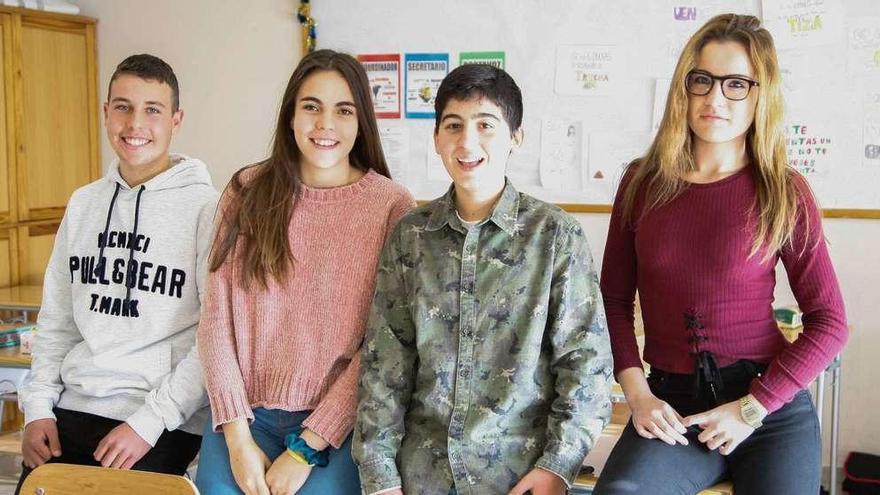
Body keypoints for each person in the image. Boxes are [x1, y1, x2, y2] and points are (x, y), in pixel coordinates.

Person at [595, 14, 848, 494]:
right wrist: (638, 395)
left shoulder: (783, 190)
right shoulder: (641, 184)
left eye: (736, 84)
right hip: (672, 409)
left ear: (760, 95)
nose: (715, 99)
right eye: (702, 81)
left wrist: (752, 408)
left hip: (769, 411)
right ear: (683, 89)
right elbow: (611, 302)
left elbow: (830, 322)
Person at [353, 63, 613, 495]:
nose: (467, 141)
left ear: (516, 136)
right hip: (422, 475)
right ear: (436, 138)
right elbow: (384, 366)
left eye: (485, 125)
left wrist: (557, 465)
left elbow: (586, 365)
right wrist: (380, 478)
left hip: (520, 475)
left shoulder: (554, 236)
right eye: (453, 125)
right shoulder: (411, 236)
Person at [194, 49, 414, 495]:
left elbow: (385, 345)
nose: (324, 125)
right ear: (290, 115)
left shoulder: (391, 206)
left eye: (343, 110)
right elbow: (216, 320)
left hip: (338, 427)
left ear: (361, 122)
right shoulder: (246, 191)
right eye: (311, 106)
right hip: (242, 418)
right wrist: (237, 439)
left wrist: (305, 450)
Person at [16, 54, 217, 491]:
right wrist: (37, 409)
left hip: (161, 417)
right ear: (106, 112)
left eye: (152, 110)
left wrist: (149, 423)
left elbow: (214, 339)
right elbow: (57, 321)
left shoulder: (209, 209)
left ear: (176, 120)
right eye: (123, 106)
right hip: (73, 404)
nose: (135, 124)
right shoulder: (84, 203)